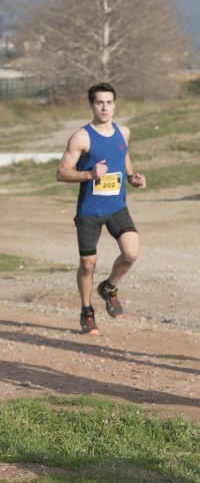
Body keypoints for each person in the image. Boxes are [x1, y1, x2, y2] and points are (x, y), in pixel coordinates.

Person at [56, 82, 147, 335]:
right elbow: (61, 173)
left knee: (131, 254)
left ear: (115, 104)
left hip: (117, 207)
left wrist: (131, 177)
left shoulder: (123, 132)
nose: (104, 107)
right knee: (87, 264)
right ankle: (87, 310)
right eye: (99, 102)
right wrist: (89, 174)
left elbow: (124, 156)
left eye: (109, 102)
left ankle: (109, 287)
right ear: (91, 105)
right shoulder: (81, 137)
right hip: (89, 211)